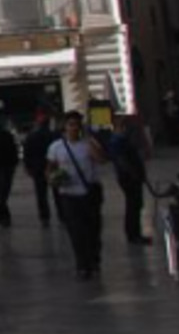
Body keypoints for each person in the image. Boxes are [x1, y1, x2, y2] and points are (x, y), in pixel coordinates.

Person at [47, 111, 107, 279]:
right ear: (64, 127)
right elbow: (50, 167)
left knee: (93, 230)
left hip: (89, 193)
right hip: (68, 195)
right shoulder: (56, 147)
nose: (74, 128)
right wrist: (53, 178)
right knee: (76, 232)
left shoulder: (88, 143)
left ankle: (94, 258)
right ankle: (82, 265)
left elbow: (102, 160)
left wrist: (89, 141)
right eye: (71, 124)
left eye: (77, 124)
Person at [106, 116, 153, 245]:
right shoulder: (117, 141)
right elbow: (122, 161)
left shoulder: (122, 140)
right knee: (133, 205)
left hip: (131, 177)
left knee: (135, 205)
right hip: (128, 178)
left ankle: (134, 233)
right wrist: (133, 173)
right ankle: (133, 234)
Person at [22, 112, 57, 226]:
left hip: (38, 168)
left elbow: (27, 152)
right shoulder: (55, 135)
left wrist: (28, 166)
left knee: (41, 194)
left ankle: (44, 216)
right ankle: (63, 214)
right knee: (57, 192)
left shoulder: (32, 136)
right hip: (54, 166)